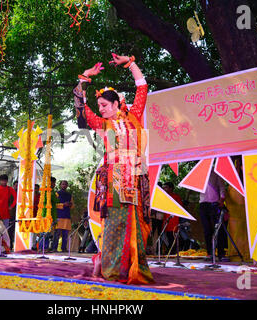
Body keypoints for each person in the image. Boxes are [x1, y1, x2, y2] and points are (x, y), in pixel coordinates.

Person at [73, 53, 153, 284]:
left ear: (117, 103)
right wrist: (85, 78)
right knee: (115, 220)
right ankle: (109, 265)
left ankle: (130, 265)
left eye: (105, 105)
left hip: (134, 174)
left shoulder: (133, 116)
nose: (101, 109)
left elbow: (142, 87)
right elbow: (81, 104)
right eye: (99, 105)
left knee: (135, 222)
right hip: (116, 175)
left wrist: (131, 63)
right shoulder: (102, 123)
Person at [198, 172, 228, 261]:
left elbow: (222, 187)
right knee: (207, 230)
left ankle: (221, 254)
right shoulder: (199, 173)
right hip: (203, 204)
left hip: (215, 203)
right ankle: (210, 253)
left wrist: (222, 199)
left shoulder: (215, 173)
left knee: (218, 229)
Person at [51, 180, 74, 252]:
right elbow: (54, 205)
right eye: (63, 184)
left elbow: (73, 205)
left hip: (67, 216)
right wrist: (63, 205)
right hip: (59, 215)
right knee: (57, 233)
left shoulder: (69, 195)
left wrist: (70, 205)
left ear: (67, 186)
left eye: (65, 184)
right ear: (60, 185)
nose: (64, 185)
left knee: (65, 234)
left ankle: (64, 248)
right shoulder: (56, 194)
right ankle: (54, 248)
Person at [38, 177, 58, 251]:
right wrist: (56, 196)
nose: (54, 184)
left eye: (54, 183)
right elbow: (55, 199)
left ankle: (44, 248)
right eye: (52, 183)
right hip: (46, 214)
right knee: (45, 233)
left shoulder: (49, 191)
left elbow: (55, 200)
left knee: (47, 232)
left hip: (48, 214)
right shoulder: (48, 191)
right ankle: (42, 248)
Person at [162, 182, 181, 254]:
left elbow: (180, 208)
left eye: (166, 187)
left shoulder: (176, 197)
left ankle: (172, 252)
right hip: (166, 220)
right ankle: (170, 251)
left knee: (172, 236)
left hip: (174, 220)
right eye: (163, 187)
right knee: (167, 236)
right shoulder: (164, 197)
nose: (164, 189)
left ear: (171, 188)